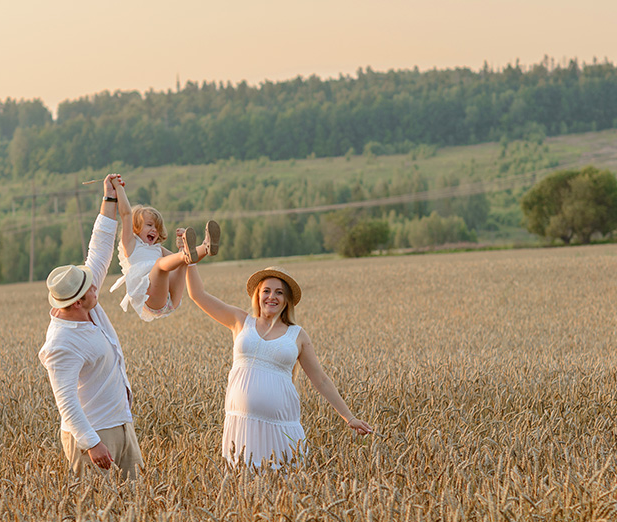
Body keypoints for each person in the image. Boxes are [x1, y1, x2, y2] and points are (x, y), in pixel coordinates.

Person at [185, 263, 373, 468]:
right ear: (257, 295)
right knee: (243, 490)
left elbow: (321, 380)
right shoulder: (240, 321)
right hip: (242, 425)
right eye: (266, 291)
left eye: (279, 292)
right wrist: (190, 261)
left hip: (281, 429)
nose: (271, 297)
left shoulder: (297, 335)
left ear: (286, 301)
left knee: (283, 488)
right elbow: (198, 294)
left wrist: (349, 417)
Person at [38, 174, 143, 480]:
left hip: (121, 424)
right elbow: (66, 402)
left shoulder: (85, 303)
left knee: (137, 508)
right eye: (91, 289)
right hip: (95, 436)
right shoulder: (61, 344)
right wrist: (92, 444)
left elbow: (98, 250)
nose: (97, 286)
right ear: (75, 304)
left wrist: (108, 198)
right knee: (99, 514)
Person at [108, 176, 220, 322]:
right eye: (149, 225)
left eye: (157, 227)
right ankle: (186, 250)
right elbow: (126, 214)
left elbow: (180, 260)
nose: (154, 230)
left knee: (182, 260)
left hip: (170, 299)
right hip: (150, 300)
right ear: (135, 227)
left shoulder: (157, 249)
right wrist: (119, 188)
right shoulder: (130, 244)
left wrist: (182, 248)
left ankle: (206, 246)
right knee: (161, 264)